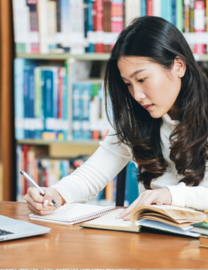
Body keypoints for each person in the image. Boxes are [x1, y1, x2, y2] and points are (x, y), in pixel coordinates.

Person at [24, 16, 208, 220]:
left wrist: (171, 195)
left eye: (141, 79)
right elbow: (92, 175)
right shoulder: (139, 119)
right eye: (128, 83)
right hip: (154, 236)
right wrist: (56, 194)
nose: (137, 95)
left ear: (178, 66)